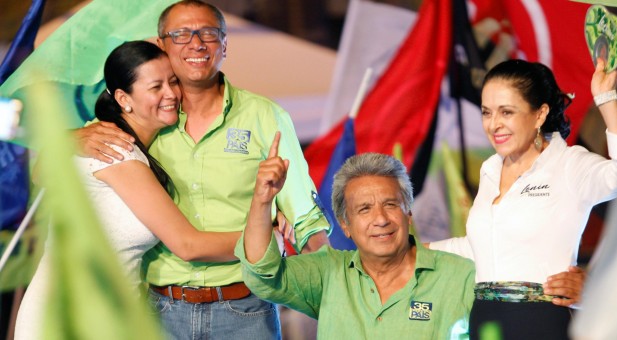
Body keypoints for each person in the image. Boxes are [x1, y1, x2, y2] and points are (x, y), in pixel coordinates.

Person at [75, 1, 330, 338]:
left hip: (246, 310)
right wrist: (69, 137)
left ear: (225, 45)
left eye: (208, 33)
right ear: (161, 45)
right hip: (159, 311)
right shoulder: (146, 117)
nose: (196, 43)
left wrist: (335, 289)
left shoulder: (265, 117)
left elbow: (305, 218)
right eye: (180, 34)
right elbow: (62, 160)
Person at [15, 40, 249, 340]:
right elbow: (188, 245)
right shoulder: (115, 150)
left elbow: (42, 172)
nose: (172, 94)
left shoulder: (103, 137)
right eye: (156, 87)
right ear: (124, 99)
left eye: (173, 81)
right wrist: (266, 239)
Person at [429, 58, 617, 339]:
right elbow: (480, 248)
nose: (493, 124)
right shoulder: (490, 169)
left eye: (506, 112)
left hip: (541, 324)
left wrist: (606, 98)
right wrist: (414, 248)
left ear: (539, 114)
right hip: (485, 323)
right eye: (486, 113)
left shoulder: (568, 164)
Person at [238, 149, 476, 339]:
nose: (381, 219)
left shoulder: (461, 275)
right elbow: (263, 273)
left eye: (391, 205)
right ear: (345, 226)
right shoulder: (328, 273)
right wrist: (262, 199)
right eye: (364, 209)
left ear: (408, 214)